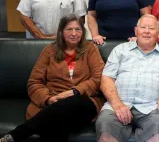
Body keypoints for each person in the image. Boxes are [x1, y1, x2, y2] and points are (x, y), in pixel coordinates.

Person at [0, 14, 105, 142]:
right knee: (56, 124)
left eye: (78, 29)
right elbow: (34, 82)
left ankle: (18, 134)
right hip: (53, 101)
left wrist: (74, 92)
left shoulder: (90, 49)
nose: (74, 33)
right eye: (69, 29)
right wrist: (48, 99)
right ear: (61, 32)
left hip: (83, 101)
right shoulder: (49, 51)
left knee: (75, 102)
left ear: (82, 32)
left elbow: (99, 78)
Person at [96, 14, 159, 142]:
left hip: (152, 109)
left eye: (151, 28)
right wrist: (117, 104)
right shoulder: (120, 50)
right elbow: (106, 79)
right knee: (105, 124)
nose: (146, 31)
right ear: (136, 31)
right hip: (118, 106)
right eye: (143, 27)